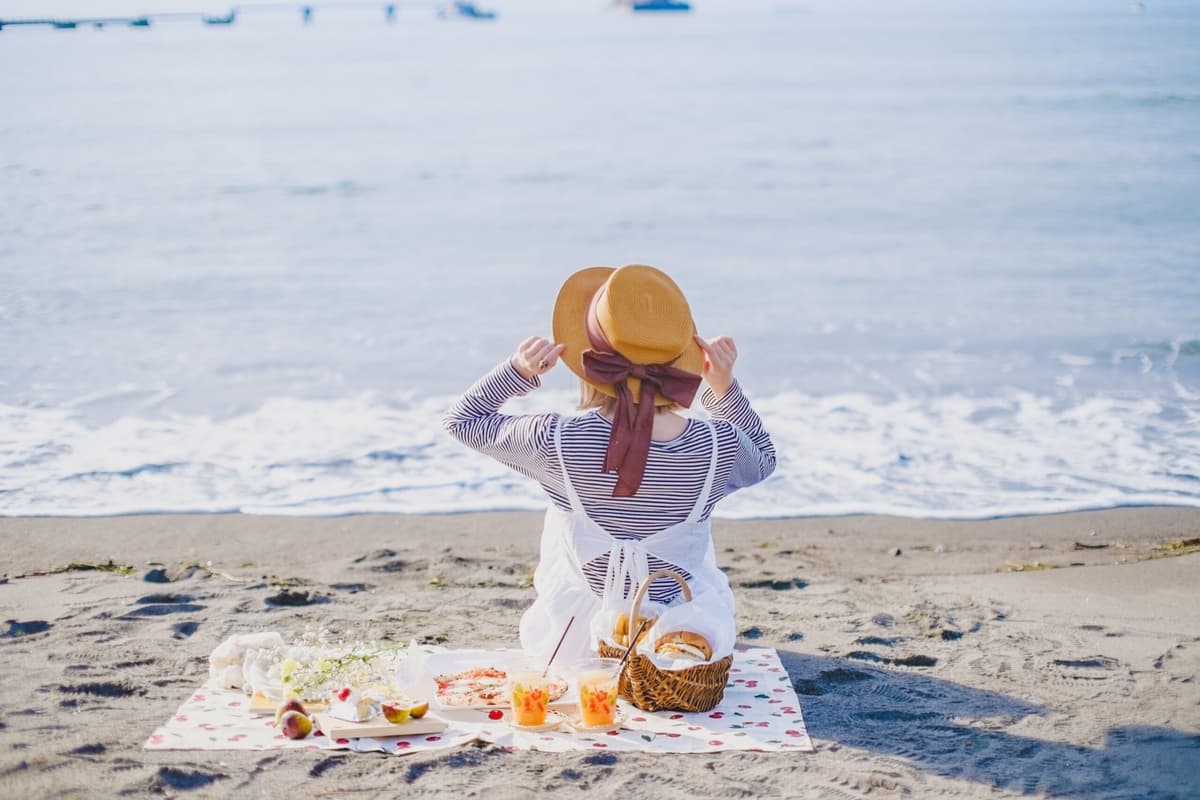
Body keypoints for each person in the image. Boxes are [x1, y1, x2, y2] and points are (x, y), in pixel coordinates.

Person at [443, 264, 776, 663]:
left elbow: (461, 421)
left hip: (575, 637)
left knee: (562, 503)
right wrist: (724, 387)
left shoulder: (557, 440)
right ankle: (656, 627)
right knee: (694, 525)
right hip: (681, 624)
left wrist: (518, 372)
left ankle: (614, 621)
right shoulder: (717, 445)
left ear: (587, 363)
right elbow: (763, 458)